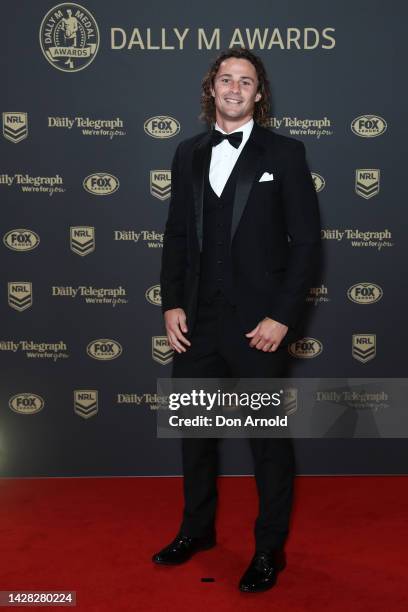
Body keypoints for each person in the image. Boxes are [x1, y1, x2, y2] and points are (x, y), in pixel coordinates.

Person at [153, 48, 321, 593]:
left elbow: (306, 244)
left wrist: (281, 317)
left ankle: (269, 549)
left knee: (266, 442)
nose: (234, 88)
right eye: (226, 79)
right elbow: (177, 234)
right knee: (196, 436)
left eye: (245, 81)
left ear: (258, 94)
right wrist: (171, 302)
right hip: (197, 323)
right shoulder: (188, 153)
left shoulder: (287, 153)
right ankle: (196, 530)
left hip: (258, 328)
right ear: (212, 88)